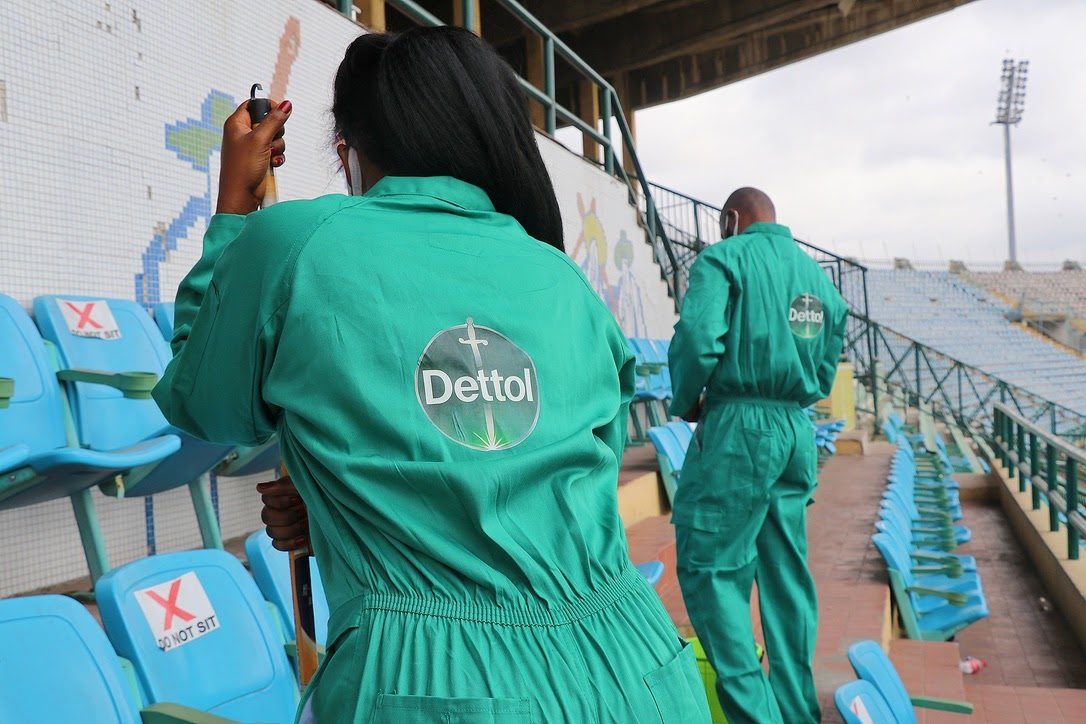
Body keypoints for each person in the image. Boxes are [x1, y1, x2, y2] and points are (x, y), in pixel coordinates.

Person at [153, 26, 710, 724]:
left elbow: (200, 400)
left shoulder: (293, 241)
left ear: (349, 152)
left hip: (435, 689)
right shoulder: (563, 280)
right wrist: (342, 508)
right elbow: (553, 486)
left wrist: (235, 207)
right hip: (641, 666)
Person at [667, 188, 847, 724]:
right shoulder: (817, 279)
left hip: (740, 428)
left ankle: (755, 715)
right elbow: (828, 361)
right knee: (786, 572)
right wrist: (796, 395)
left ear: (731, 218)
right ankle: (795, 711)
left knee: (712, 568)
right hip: (796, 430)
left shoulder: (724, 258)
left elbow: (699, 337)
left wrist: (687, 399)